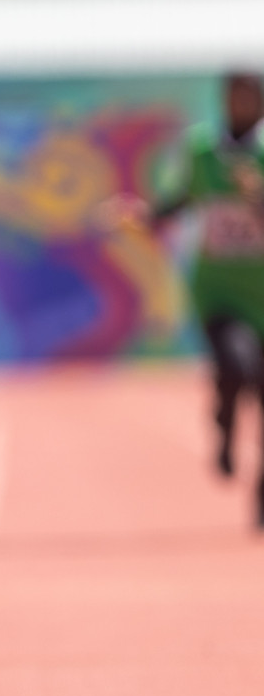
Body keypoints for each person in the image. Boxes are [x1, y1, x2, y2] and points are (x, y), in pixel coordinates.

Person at [102, 72, 264, 522]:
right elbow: (180, 202)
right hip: (220, 291)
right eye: (233, 97)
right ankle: (225, 423)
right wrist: (142, 215)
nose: (240, 105)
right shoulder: (203, 153)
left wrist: (257, 197)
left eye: (249, 97)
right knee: (237, 366)